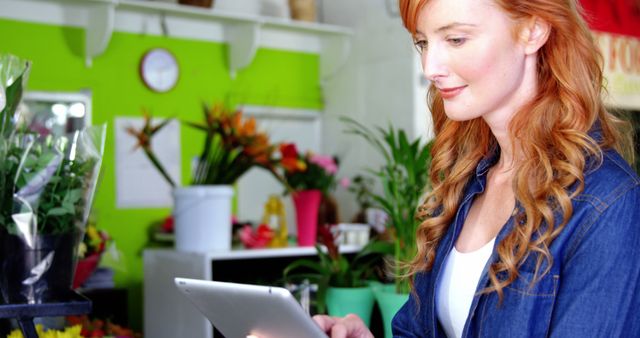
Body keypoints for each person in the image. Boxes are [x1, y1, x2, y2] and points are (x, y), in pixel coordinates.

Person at [314, 0, 640, 337]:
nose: (430, 66)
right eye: (423, 42)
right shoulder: (465, 180)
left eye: (456, 39)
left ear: (533, 29)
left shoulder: (607, 206)